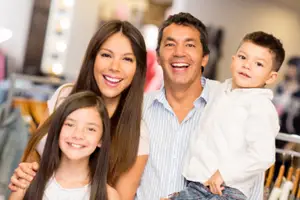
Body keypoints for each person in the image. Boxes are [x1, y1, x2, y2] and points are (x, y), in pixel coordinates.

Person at [9, 20, 148, 200]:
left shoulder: (138, 134)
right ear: (93, 58)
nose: (115, 67)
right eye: (106, 55)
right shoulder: (64, 95)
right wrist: (24, 176)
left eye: (127, 59)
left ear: (138, 68)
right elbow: (33, 155)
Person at [136, 12, 266, 200]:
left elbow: (252, 185)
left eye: (189, 45)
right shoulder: (138, 108)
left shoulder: (236, 104)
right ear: (157, 56)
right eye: (170, 44)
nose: (179, 53)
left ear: (205, 57)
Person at [165, 31, 284, 200]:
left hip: (226, 190)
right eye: (243, 57)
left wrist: (225, 174)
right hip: (198, 185)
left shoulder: (260, 106)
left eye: (258, 64)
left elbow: (262, 155)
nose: (247, 65)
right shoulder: (221, 91)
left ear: (271, 77)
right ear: (233, 60)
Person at [9, 91, 120, 200]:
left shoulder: (109, 196)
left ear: (101, 139)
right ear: (57, 129)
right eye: (70, 124)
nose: (78, 135)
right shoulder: (27, 181)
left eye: (90, 129)